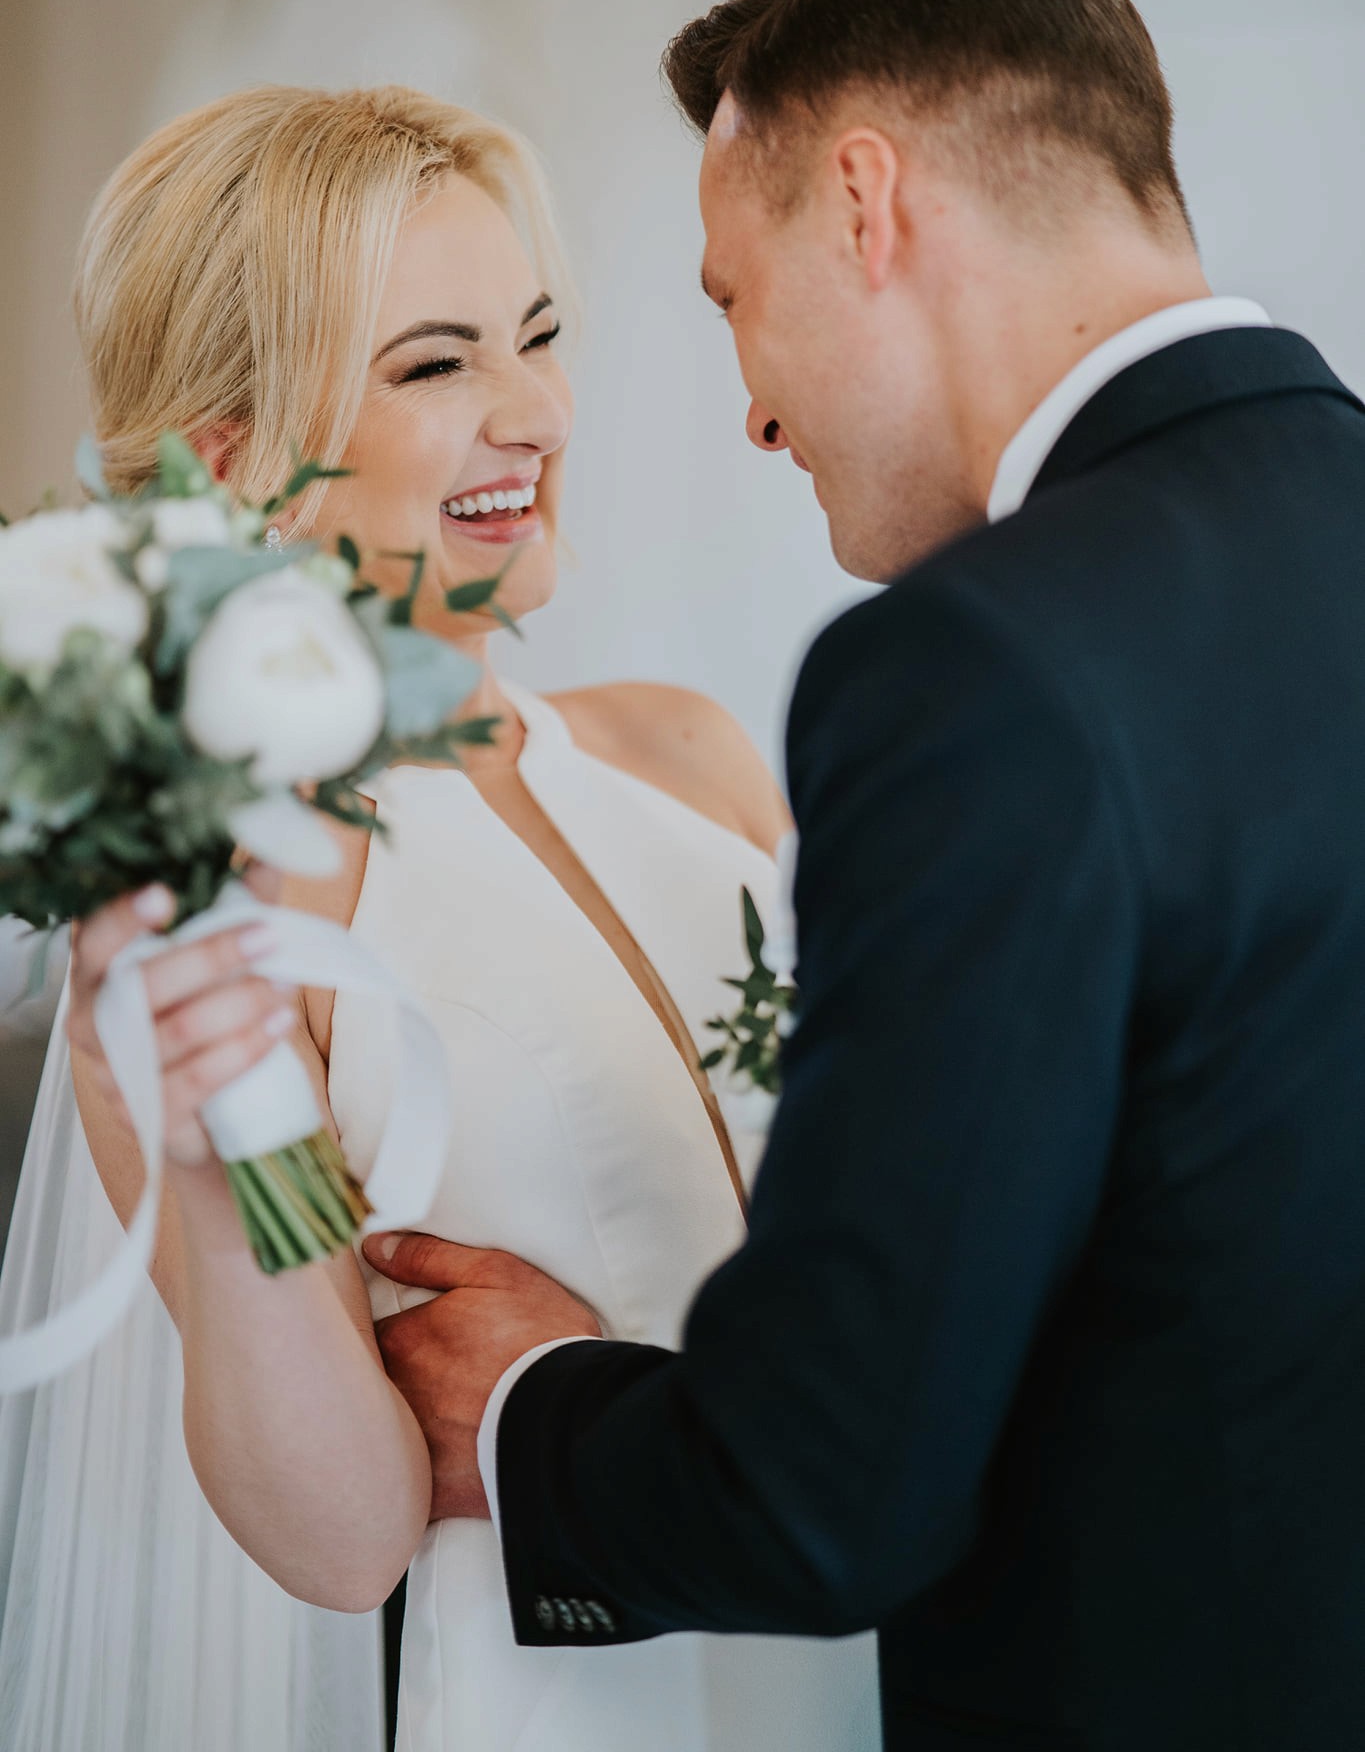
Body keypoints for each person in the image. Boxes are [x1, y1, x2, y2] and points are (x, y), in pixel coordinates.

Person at [360, 0, 1365, 1750]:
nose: (750, 411)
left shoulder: (976, 673)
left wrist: (532, 1414)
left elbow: (830, 1492)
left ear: (866, 203)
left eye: (733, 299)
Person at [0, 85, 879, 1751]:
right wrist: (206, 1151)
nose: (532, 412)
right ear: (233, 458)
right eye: (432, 363)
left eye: (534, 336)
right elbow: (336, 1540)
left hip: (848, 1638)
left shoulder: (689, 756)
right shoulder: (236, 906)